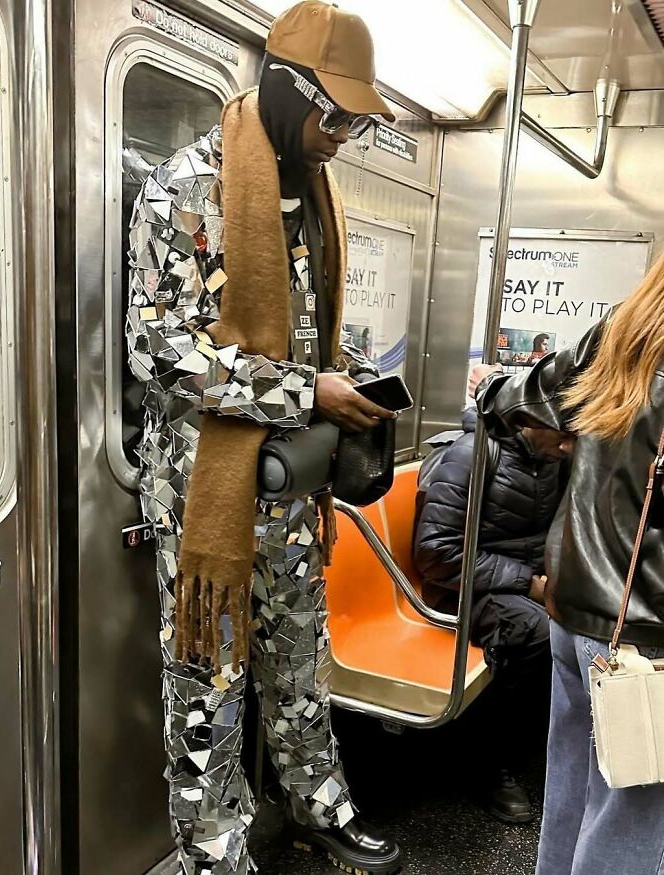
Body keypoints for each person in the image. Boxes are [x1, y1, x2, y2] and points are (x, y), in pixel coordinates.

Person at [126, 3, 402, 873]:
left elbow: (309, 333)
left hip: (289, 487)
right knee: (209, 681)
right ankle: (214, 851)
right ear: (284, 88)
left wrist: (344, 376)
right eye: (337, 114)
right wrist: (300, 390)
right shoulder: (185, 190)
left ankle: (317, 800)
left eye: (358, 120)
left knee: (297, 657)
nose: (344, 136)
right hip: (205, 490)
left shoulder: (313, 200)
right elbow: (159, 351)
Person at [472, 251, 664, 875]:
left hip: (574, 608)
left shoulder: (627, 327)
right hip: (647, 636)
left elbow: (513, 401)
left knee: (573, 790)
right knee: (636, 818)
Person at [414, 405, 571, 822]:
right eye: (562, 435)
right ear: (530, 422)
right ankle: (485, 766)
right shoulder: (472, 456)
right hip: (463, 587)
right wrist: (527, 582)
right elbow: (435, 554)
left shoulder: (550, 458)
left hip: (517, 579)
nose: (569, 445)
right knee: (534, 632)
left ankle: (539, 738)